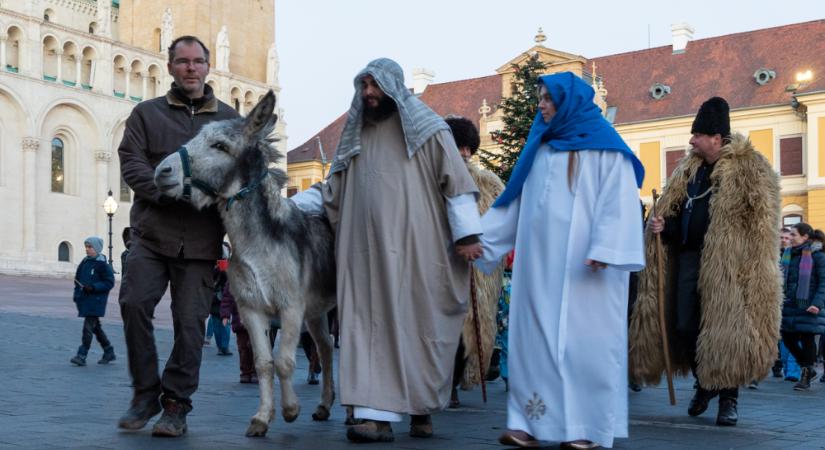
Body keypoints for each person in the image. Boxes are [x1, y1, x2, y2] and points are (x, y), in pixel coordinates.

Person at [291, 58, 482, 443]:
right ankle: (374, 416)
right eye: (363, 87)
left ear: (393, 86)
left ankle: (420, 408)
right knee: (367, 327)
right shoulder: (354, 135)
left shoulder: (429, 130)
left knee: (419, 326)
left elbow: (456, 185)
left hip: (418, 252)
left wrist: (466, 236)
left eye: (375, 86)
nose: (368, 94)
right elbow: (332, 193)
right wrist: (283, 208)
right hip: (365, 258)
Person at [475, 72, 646, 449]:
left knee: (585, 346)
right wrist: (480, 241)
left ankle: (585, 429)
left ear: (568, 101)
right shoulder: (541, 148)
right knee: (533, 342)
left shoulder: (606, 148)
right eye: (539, 98)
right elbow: (514, 203)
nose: (542, 105)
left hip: (589, 272)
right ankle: (528, 423)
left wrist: (607, 247)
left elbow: (619, 202)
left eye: (548, 98)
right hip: (539, 269)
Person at [631, 97, 781, 427]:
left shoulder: (750, 169)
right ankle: (705, 382)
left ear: (715, 137)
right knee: (686, 324)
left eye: (697, 134)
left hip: (729, 265)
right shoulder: (689, 171)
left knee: (725, 331)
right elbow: (677, 214)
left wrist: (746, 261)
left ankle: (728, 399)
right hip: (688, 258)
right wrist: (662, 226)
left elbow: (762, 222)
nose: (691, 140)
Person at [116, 35, 239, 437]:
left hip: (202, 244)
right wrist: (169, 194)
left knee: (190, 326)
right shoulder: (146, 114)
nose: (191, 68)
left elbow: (241, 173)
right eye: (183, 61)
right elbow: (131, 163)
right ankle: (144, 392)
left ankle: (176, 405)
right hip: (151, 234)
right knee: (134, 303)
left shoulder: (227, 120)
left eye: (198, 61)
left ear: (208, 67)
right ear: (169, 66)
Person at [444, 116, 505, 408]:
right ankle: (442, 383)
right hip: (442, 267)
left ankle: (455, 382)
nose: (465, 154)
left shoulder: (488, 183)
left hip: (477, 270)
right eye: (459, 147)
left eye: (469, 148)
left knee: (469, 327)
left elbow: (503, 217)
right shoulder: (434, 180)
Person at [780, 222, 825, 390]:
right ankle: (808, 368)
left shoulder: (818, 256)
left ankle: (805, 375)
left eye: (793, 235)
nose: (789, 238)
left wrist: (817, 304)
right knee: (787, 338)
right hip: (789, 305)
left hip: (809, 305)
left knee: (807, 340)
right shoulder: (787, 254)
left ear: (805, 237)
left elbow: (823, 283)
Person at [70, 237, 116, 366]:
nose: (87, 249)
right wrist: (77, 294)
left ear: (97, 248)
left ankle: (82, 355)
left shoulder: (102, 265)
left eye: (90, 247)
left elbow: (109, 282)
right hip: (85, 300)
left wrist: (94, 287)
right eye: (86, 247)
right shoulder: (84, 262)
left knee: (88, 328)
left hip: (96, 301)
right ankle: (108, 351)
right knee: (96, 328)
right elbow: (77, 280)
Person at [210, 242, 233, 356]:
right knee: (223, 322)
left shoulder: (212, 265)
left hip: (215, 297)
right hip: (222, 297)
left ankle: (221, 347)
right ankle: (224, 346)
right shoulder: (223, 266)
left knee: (217, 322)